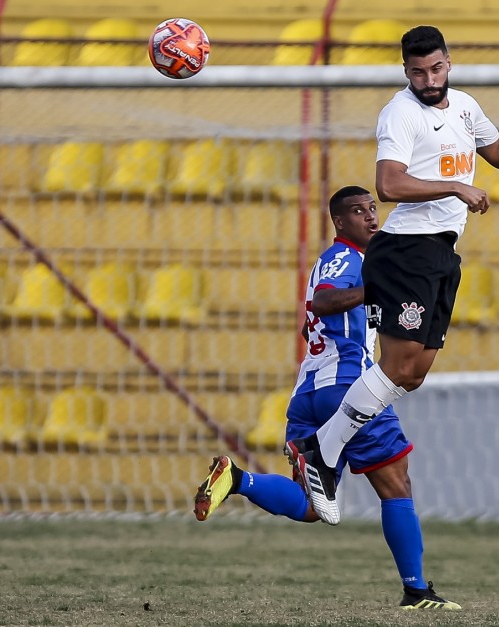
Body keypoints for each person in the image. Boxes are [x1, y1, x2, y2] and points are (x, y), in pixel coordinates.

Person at [285, 26, 499, 526]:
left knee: (413, 374)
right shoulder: (399, 113)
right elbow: (389, 183)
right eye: (418, 71)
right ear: (406, 71)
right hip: (406, 251)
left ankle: (323, 449)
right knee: (398, 365)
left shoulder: (464, 105)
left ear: (449, 63)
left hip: (441, 253)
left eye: (436, 68)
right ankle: (323, 452)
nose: (429, 79)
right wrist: (456, 188)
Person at [193, 185, 461, 611]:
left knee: (313, 504)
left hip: (309, 394)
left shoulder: (362, 262)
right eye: (358, 211)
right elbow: (323, 302)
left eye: (373, 208)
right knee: (396, 485)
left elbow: (316, 320)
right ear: (339, 221)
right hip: (347, 388)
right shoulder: (344, 257)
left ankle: (237, 479)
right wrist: (379, 290)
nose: (371, 217)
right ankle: (416, 592)